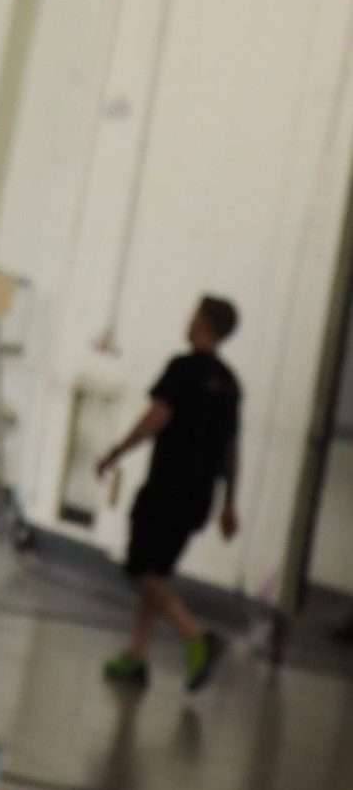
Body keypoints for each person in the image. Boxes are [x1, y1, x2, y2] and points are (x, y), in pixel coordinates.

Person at [97, 296, 243, 693]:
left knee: (141, 570)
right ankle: (137, 657)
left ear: (204, 323)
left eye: (193, 315)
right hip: (200, 496)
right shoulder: (230, 383)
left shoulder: (183, 368)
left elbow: (155, 418)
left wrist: (115, 453)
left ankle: (196, 637)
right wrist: (230, 503)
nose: (187, 320)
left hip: (167, 487)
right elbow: (231, 448)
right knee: (156, 572)